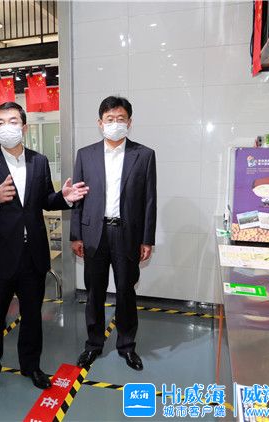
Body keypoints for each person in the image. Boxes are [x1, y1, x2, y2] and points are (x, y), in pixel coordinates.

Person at [0, 102, 89, 405]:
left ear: (23, 127)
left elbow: (45, 199)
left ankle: (31, 366)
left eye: (12, 121)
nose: (5, 127)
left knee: (32, 317)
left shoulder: (39, 161)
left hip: (32, 254)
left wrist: (64, 198)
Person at [71, 96, 157, 371]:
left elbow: (149, 200)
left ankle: (127, 346)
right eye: (110, 119)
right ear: (100, 123)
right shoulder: (85, 155)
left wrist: (147, 239)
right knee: (94, 292)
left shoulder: (144, 155)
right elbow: (77, 198)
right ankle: (93, 344)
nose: (115, 123)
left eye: (121, 119)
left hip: (127, 234)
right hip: (93, 233)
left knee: (125, 292)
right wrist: (76, 235)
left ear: (129, 122)